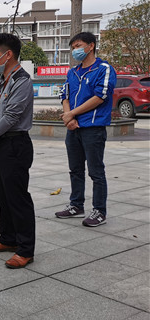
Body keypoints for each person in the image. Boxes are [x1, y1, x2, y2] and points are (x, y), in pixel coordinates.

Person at [0, 33, 35, 269]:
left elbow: (12, 116)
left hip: (15, 144)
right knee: (2, 195)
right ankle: (8, 238)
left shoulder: (22, 81)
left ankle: (25, 249)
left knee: (17, 198)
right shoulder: (3, 79)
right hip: (1, 143)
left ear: (8, 54)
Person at [55, 32, 117, 226]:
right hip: (73, 128)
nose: (75, 50)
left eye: (78, 46)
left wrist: (72, 114)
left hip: (93, 127)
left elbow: (100, 96)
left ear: (91, 46)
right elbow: (64, 94)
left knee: (96, 171)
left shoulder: (103, 69)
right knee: (75, 169)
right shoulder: (72, 72)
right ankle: (76, 205)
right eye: (73, 47)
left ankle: (99, 211)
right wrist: (68, 117)